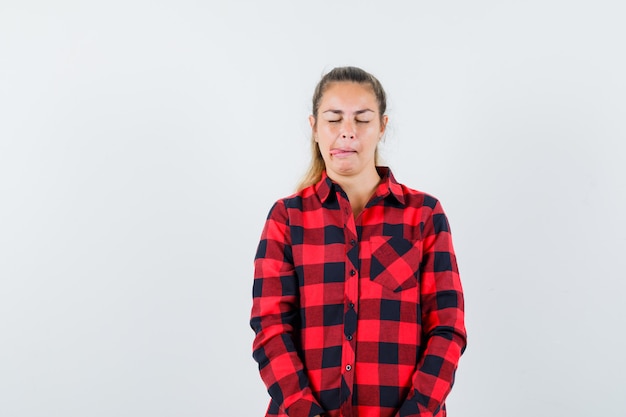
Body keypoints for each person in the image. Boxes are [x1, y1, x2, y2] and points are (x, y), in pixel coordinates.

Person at [250, 66, 467, 417]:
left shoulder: (424, 215)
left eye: (362, 120)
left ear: (382, 126)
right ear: (314, 128)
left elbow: (447, 326)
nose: (347, 133)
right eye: (334, 119)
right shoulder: (287, 218)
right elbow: (270, 328)